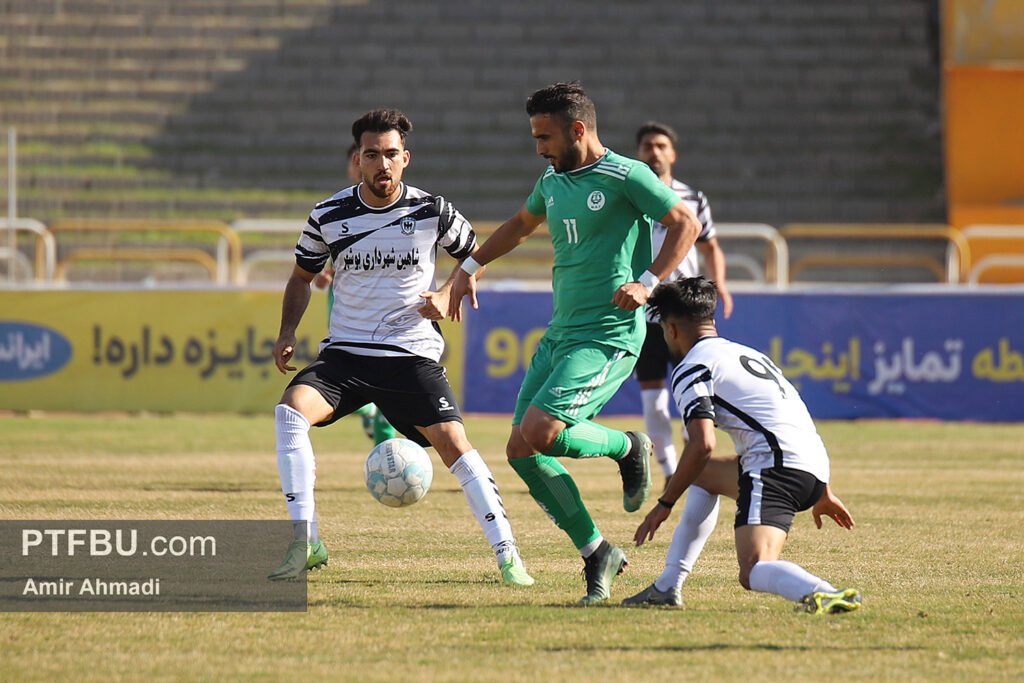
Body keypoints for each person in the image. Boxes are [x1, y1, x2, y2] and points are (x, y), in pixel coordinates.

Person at [449, 82, 703, 604]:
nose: (539, 147)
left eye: (545, 136)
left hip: (607, 334)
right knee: (520, 449)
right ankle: (597, 552)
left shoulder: (627, 175)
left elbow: (686, 223)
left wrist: (648, 282)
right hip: (560, 331)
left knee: (542, 431)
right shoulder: (552, 178)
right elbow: (522, 224)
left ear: (578, 130)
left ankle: (627, 444)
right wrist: (470, 265)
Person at [268, 108, 534, 587]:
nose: (382, 164)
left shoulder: (432, 210)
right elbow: (301, 278)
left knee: (455, 444)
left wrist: (453, 287)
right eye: (373, 155)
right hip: (345, 356)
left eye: (391, 154)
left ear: (405, 158)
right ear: (358, 161)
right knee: (289, 412)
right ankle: (305, 540)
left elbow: (477, 255)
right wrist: (288, 331)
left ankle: (507, 553)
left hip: (409, 354)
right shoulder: (328, 215)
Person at [623, 277, 861, 614]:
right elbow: (790, 414)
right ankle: (667, 586)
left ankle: (824, 592)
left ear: (671, 329)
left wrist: (664, 503)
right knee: (700, 474)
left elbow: (702, 444)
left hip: (775, 469)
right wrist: (822, 487)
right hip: (811, 465)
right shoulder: (747, 354)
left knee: (752, 570)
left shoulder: (692, 367)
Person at [634, 121, 732, 487]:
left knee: (701, 391)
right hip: (648, 310)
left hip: (688, 309)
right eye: (647, 146)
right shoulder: (633, 199)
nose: (654, 152)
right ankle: (670, 471)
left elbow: (710, 248)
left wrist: (720, 284)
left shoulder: (693, 199)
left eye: (661, 146)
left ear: (672, 154)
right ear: (639, 153)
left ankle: (698, 459)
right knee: (655, 400)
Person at [312, 143, 396, 445]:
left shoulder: (390, 203)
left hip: (384, 305)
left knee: (387, 370)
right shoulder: (337, 209)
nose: (359, 165)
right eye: (356, 161)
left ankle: (382, 437)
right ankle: (368, 410)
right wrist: (325, 276)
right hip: (346, 303)